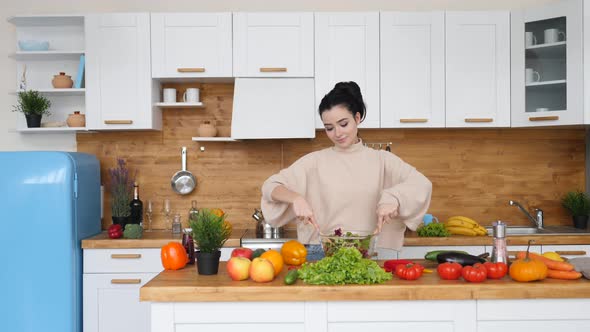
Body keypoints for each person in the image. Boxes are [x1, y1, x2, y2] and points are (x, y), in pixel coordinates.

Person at [260, 81, 432, 258]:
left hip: (370, 252)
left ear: (357, 118)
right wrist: (296, 199)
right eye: (329, 128)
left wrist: (394, 198)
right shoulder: (313, 162)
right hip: (320, 252)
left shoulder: (383, 160)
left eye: (343, 124)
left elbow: (422, 184)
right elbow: (270, 186)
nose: (337, 133)